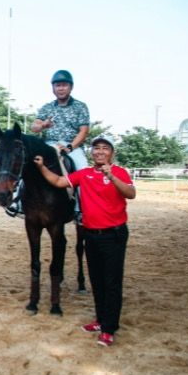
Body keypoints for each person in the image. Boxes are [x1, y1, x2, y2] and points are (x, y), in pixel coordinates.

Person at [34, 135, 136, 347]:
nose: (100, 151)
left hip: (113, 235)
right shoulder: (85, 173)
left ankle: (109, 329)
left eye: (105, 148)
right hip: (91, 234)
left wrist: (112, 177)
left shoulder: (119, 172)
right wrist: (43, 167)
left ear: (111, 153)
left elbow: (131, 193)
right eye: (96, 148)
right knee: (97, 281)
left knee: (112, 283)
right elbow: (59, 181)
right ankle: (100, 320)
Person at [7, 70, 91, 219]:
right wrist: (43, 125)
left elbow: (84, 131)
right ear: (53, 88)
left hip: (72, 146)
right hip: (49, 145)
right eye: (57, 85)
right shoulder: (47, 108)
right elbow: (34, 127)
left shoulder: (80, 106)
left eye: (64, 85)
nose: (61, 88)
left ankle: (81, 209)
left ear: (70, 87)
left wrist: (71, 146)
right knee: (27, 164)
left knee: (83, 171)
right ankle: (17, 202)